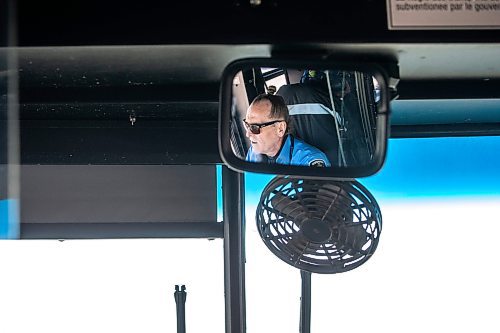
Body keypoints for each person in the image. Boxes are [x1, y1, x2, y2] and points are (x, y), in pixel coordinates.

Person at [244, 93, 331, 167]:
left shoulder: (308, 161)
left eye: (254, 128)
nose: (247, 134)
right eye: (246, 125)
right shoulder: (253, 153)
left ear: (280, 129)